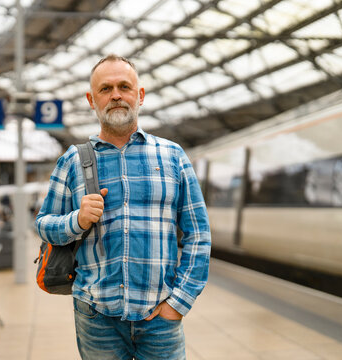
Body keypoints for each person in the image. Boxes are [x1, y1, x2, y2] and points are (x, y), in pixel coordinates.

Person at [35, 54, 211, 360]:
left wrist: (178, 303)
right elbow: (43, 224)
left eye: (124, 86)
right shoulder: (73, 161)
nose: (116, 95)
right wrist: (76, 220)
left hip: (160, 318)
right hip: (96, 317)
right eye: (105, 89)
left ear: (139, 95)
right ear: (92, 100)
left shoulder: (173, 156)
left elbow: (199, 235)